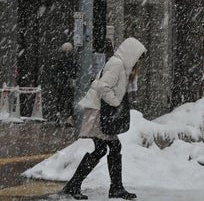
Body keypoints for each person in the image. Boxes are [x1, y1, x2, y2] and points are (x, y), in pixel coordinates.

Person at [62, 37, 146, 200]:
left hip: (98, 111)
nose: (138, 62)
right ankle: (109, 188)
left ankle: (78, 185)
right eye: (137, 58)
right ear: (131, 54)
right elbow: (102, 87)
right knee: (109, 148)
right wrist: (115, 101)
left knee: (106, 148)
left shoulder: (121, 66)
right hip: (97, 112)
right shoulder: (117, 64)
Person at [47, 42, 78, 126]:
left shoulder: (58, 59)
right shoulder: (73, 59)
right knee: (69, 101)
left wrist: (55, 82)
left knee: (60, 101)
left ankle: (58, 117)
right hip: (67, 84)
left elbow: (53, 72)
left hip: (59, 83)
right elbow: (74, 72)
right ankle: (69, 119)